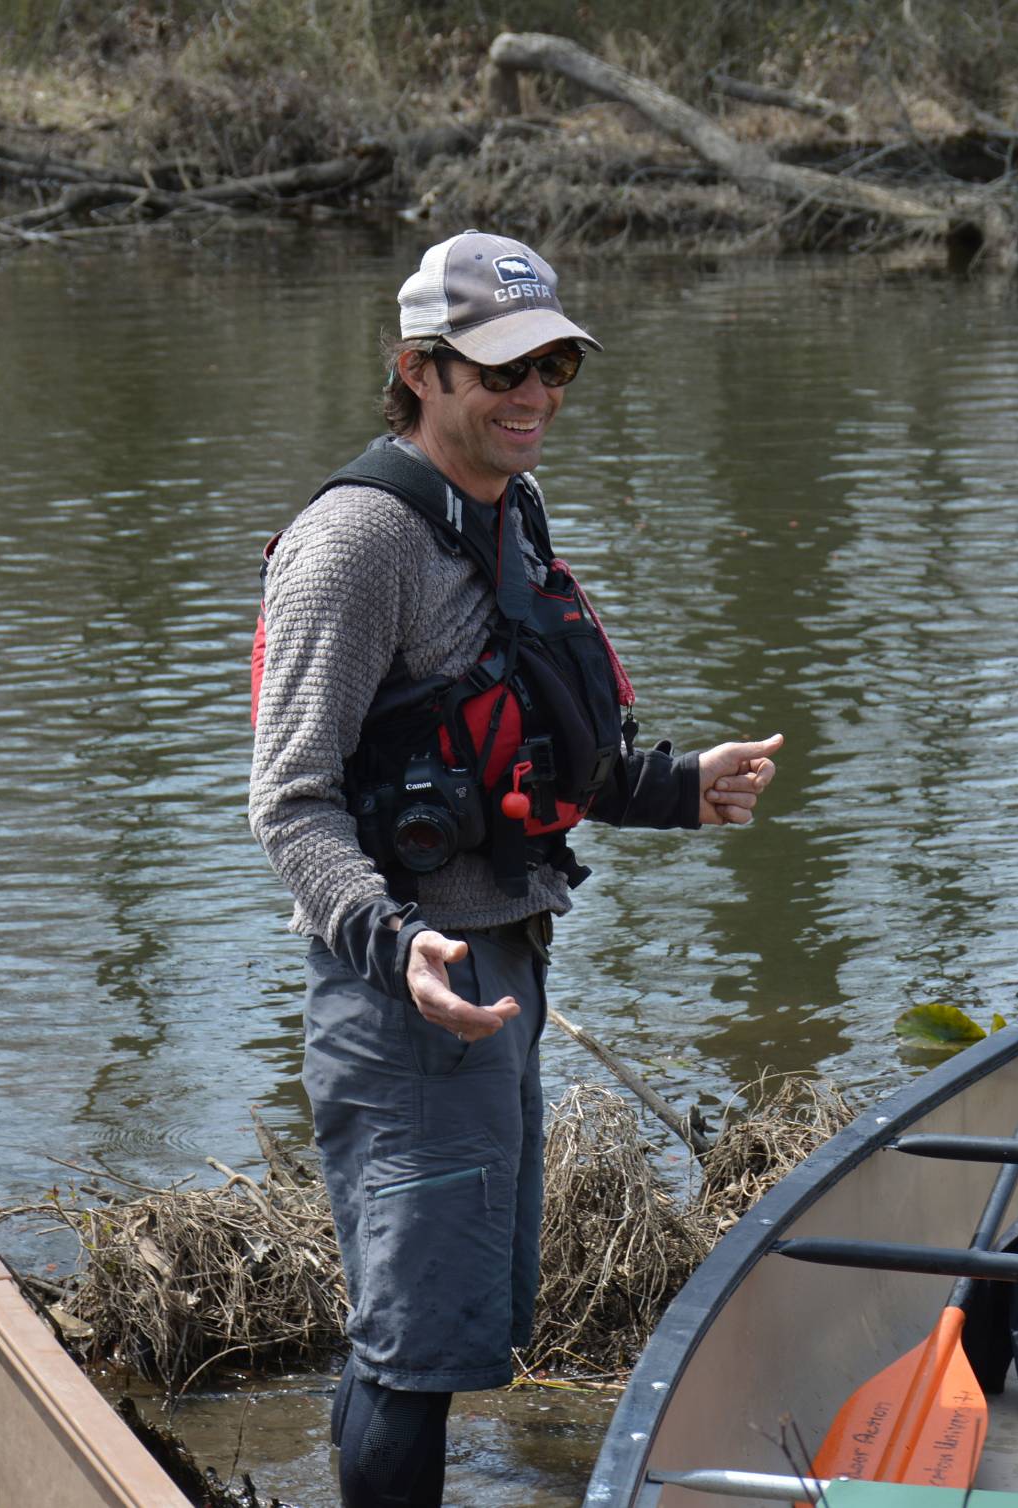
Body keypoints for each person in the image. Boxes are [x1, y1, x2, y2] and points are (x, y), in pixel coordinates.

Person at [248, 229, 781, 1508]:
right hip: (406, 990)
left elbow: (529, 736)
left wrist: (669, 787)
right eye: (500, 369)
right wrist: (393, 943)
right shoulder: (353, 546)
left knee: (440, 1314)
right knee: (414, 1342)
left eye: (553, 365)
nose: (534, 394)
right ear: (418, 370)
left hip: (499, 971)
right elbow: (291, 801)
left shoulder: (504, 513)